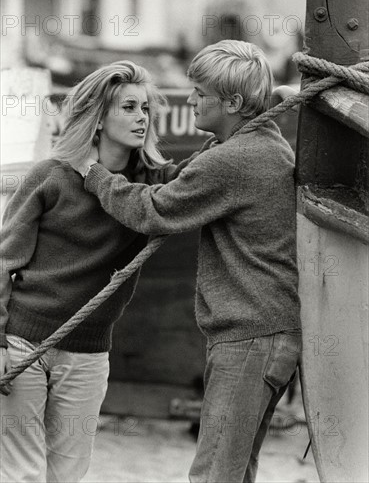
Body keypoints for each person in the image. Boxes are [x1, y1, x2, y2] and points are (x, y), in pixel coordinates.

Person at [77, 40, 302, 483]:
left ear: (234, 103)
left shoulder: (234, 159)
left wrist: (95, 174)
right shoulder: (265, 143)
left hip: (248, 339)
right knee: (236, 472)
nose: (193, 99)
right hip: (271, 334)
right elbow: (187, 180)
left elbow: (153, 211)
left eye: (200, 93)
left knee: (213, 473)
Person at [0, 61, 174, 483]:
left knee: (69, 475)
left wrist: (267, 109)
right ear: (98, 117)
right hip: (22, 344)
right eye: (129, 107)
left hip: (89, 351)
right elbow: (4, 262)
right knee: (21, 474)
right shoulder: (50, 176)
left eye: (145, 108)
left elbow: (213, 168)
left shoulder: (153, 189)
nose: (141, 118)